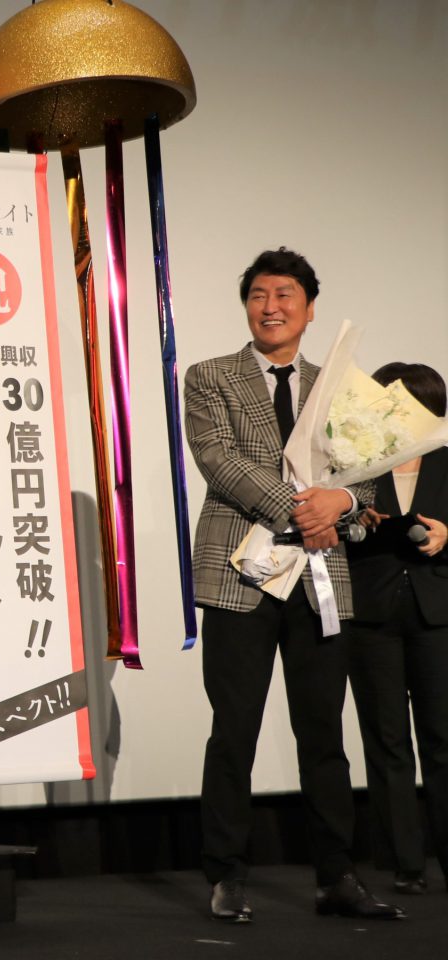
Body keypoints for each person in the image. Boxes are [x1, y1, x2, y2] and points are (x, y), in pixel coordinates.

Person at [184, 247, 402, 923]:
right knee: (234, 731)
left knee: (324, 734)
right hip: (240, 576)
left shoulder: (340, 387)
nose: (270, 306)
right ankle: (226, 874)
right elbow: (220, 460)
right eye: (258, 295)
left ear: (309, 310)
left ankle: (337, 876)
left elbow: (368, 478)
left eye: (284, 295)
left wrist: (343, 503)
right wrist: (306, 508)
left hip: (319, 577)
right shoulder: (209, 376)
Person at [345, 362, 448, 896]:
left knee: (442, 738)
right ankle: (405, 863)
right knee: (387, 740)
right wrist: (354, 522)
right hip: (372, 613)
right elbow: (334, 528)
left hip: (438, 614)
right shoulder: (355, 464)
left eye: (416, 405)